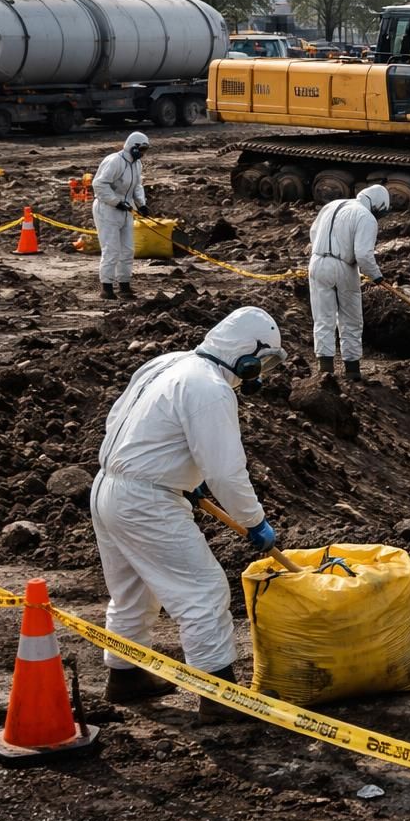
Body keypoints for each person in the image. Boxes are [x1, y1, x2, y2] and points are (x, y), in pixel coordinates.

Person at [91, 306, 286, 719]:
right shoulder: (210, 389)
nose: (259, 373)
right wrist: (254, 522)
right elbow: (226, 471)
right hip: (146, 501)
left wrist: (175, 471)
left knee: (132, 592)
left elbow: (119, 419)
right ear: (245, 355)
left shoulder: (168, 363)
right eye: (262, 362)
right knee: (203, 590)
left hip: (108, 486)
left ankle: (125, 676)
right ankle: (218, 696)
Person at [308, 184, 389, 378]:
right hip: (344, 267)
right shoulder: (366, 217)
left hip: (317, 262)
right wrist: (376, 276)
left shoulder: (333, 205)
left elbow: (313, 233)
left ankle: (325, 370)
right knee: (350, 320)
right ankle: (352, 371)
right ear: (378, 205)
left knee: (323, 317)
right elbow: (363, 254)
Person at [91, 131, 150, 300]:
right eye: (142, 149)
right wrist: (115, 201)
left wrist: (142, 204)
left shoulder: (136, 164)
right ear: (134, 147)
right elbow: (99, 184)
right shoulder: (115, 161)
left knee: (128, 249)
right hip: (107, 209)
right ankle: (107, 287)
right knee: (111, 249)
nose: (144, 154)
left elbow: (137, 186)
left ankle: (124, 285)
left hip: (126, 210)